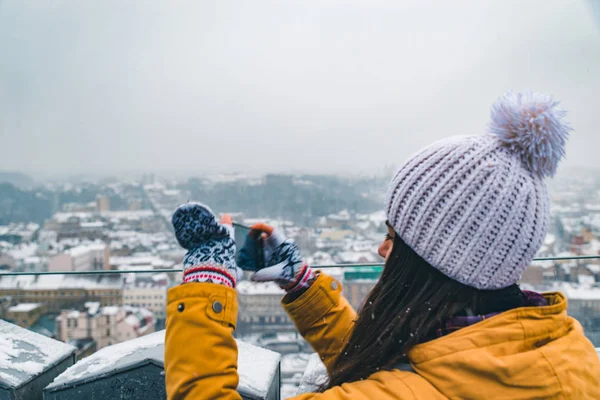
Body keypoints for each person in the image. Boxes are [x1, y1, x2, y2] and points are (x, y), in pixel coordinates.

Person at [164, 92, 600, 399]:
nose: (380, 249)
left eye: (394, 237)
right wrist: (301, 284)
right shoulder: (568, 354)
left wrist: (208, 282)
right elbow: (400, 374)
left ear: (433, 260)